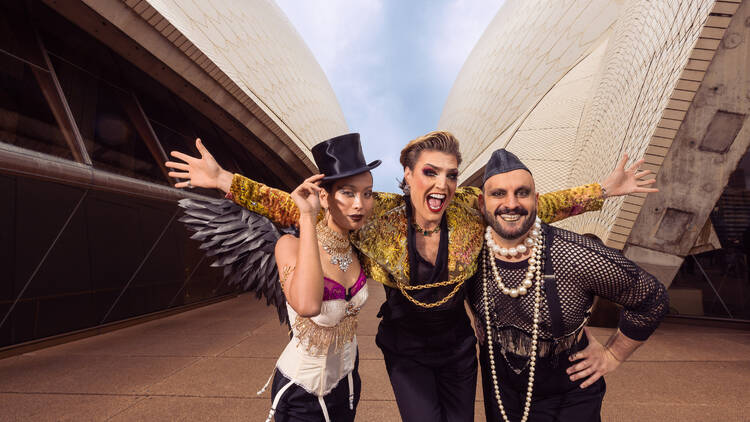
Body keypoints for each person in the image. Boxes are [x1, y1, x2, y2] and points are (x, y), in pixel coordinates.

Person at [167, 131, 656, 421]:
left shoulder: (468, 211)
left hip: (460, 351)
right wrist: (225, 182)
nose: (441, 183)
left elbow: (529, 205)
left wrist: (602, 191)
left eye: (450, 173)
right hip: (406, 351)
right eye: (430, 172)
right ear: (406, 175)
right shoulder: (376, 216)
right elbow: (307, 206)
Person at [172, 133, 379, 422]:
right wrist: (306, 217)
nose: (360, 204)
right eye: (348, 192)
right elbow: (308, 306)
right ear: (324, 196)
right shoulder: (290, 246)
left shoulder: (358, 249)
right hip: (302, 394)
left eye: (367, 193)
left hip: (348, 385)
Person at [469, 149, 668, 421]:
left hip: (569, 397)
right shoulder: (468, 255)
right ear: (482, 204)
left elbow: (651, 298)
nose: (511, 203)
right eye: (498, 194)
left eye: (522, 193)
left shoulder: (575, 255)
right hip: (501, 392)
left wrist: (613, 354)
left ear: (536, 201)